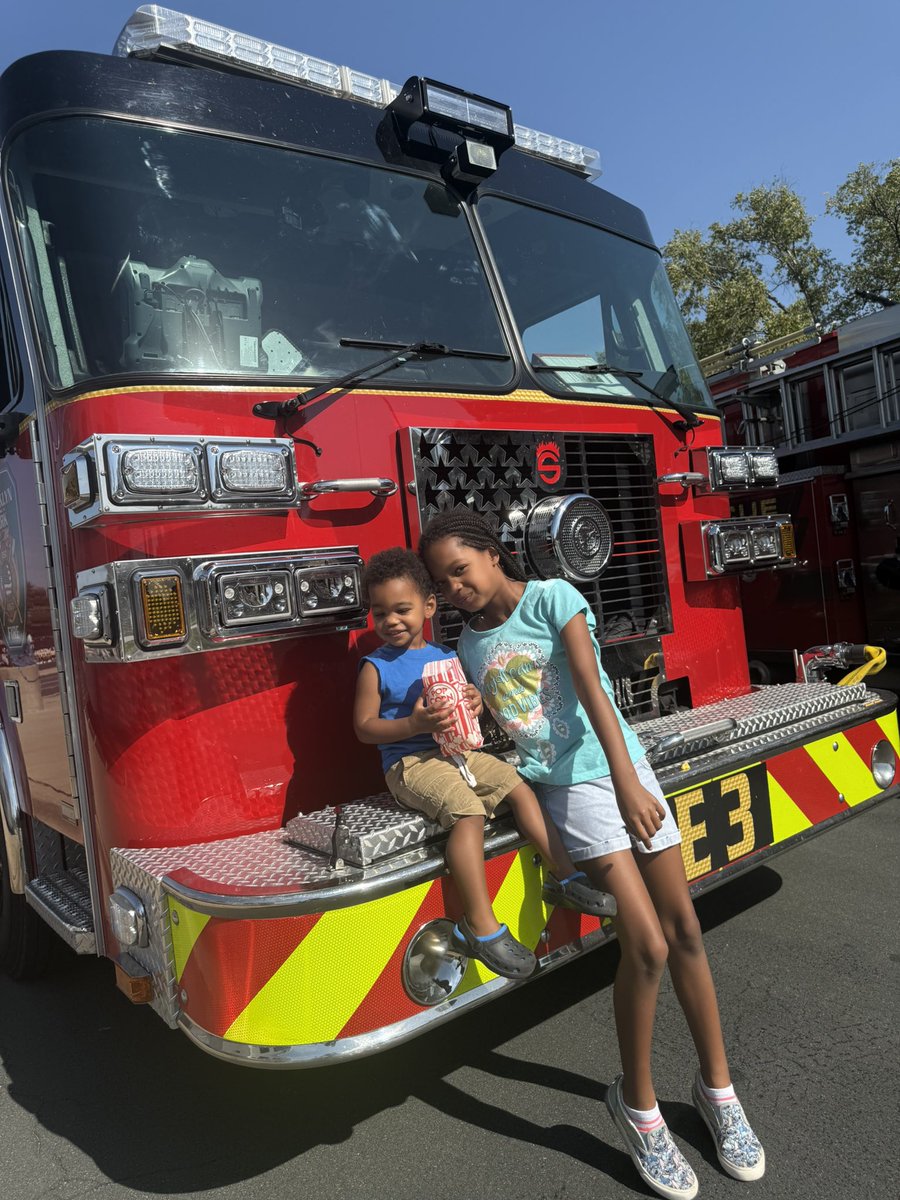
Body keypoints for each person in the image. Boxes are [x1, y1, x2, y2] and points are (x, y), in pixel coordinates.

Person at [420, 512, 765, 1200]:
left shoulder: (553, 598)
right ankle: (638, 1110)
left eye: (462, 568)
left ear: (493, 554)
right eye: (441, 580)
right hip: (568, 792)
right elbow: (499, 721)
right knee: (647, 946)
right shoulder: (464, 646)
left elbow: (586, 683)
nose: (454, 587)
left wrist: (630, 777)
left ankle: (717, 1091)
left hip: (620, 767)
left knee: (686, 929)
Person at [354, 547, 616, 981]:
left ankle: (565, 877)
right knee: (468, 814)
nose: (391, 621)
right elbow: (364, 728)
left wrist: (472, 704)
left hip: (456, 753)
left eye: (402, 609)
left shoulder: (443, 654)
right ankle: (480, 925)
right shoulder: (374, 667)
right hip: (411, 764)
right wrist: (411, 724)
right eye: (380, 613)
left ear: (429, 606)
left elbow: (465, 699)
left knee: (518, 789)